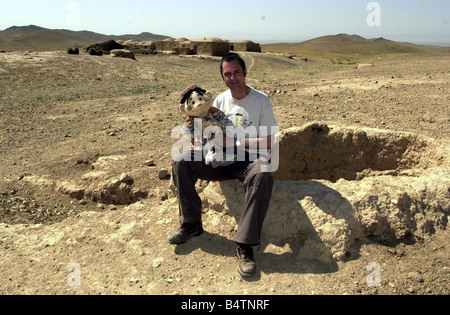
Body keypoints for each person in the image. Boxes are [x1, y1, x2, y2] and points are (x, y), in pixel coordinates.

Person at [168, 53, 278, 278]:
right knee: (181, 161)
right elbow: (206, 136)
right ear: (222, 77)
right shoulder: (219, 100)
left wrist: (236, 141)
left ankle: (245, 245)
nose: (233, 77)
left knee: (262, 173)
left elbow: (270, 140)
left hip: (249, 160)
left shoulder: (261, 100)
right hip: (220, 159)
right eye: (227, 74)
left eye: (237, 72)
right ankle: (191, 223)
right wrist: (196, 128)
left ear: (245, 72)